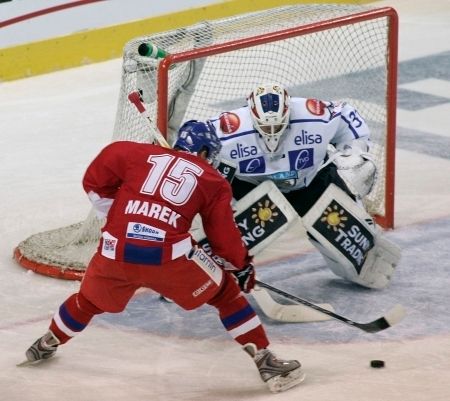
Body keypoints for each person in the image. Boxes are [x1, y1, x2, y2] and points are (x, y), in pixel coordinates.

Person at [21, 120, 304, 393]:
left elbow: (94, 179)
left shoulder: (135, 153)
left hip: (115, 251)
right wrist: (241, 266)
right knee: (226, 296)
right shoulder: (213, 180)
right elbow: (224, 239)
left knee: (88, 301)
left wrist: (118, 215)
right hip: (168, 259)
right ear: (205, 152)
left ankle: (47, 342)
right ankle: (265, 360)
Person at [203, 83, 401, 290]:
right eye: (266, 127)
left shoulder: (312, 114)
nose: (272, 133)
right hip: (252, 186)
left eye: (278, 125)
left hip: (310, 180)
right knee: (230, 227)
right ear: (251, 117)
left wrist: (353, 153)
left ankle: (361, 250)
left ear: (288, 113)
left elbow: (346, 115)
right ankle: (198, 269)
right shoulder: (229, 128)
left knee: (343, 221)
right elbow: (195, 141)